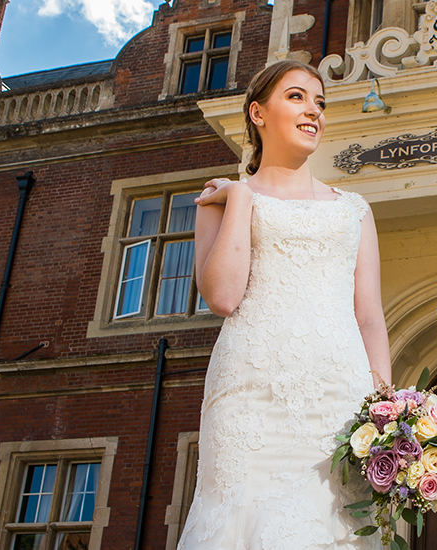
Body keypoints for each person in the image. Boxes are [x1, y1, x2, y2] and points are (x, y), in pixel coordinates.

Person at [176, 60, 390, 549]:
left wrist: (387, 411)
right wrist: (243, 201)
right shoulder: (220, 201)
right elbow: (224, 297)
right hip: (251, 397)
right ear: (258, 113)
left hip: (340, 397)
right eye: (296, 97)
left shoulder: (354, 209)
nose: (313, 110)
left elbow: (369, 317)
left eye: (319, 102)